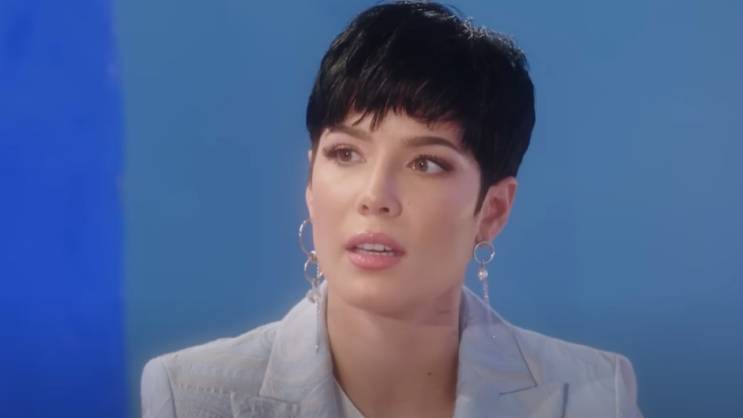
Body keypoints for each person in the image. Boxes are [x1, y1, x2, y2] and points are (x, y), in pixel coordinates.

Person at [141, 2, 643, 417]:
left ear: (492, 210)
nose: (375, 195)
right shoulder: (190, 396)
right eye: (346, 154)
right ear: (311, 183)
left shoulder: (592, 395)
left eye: (426, 163)